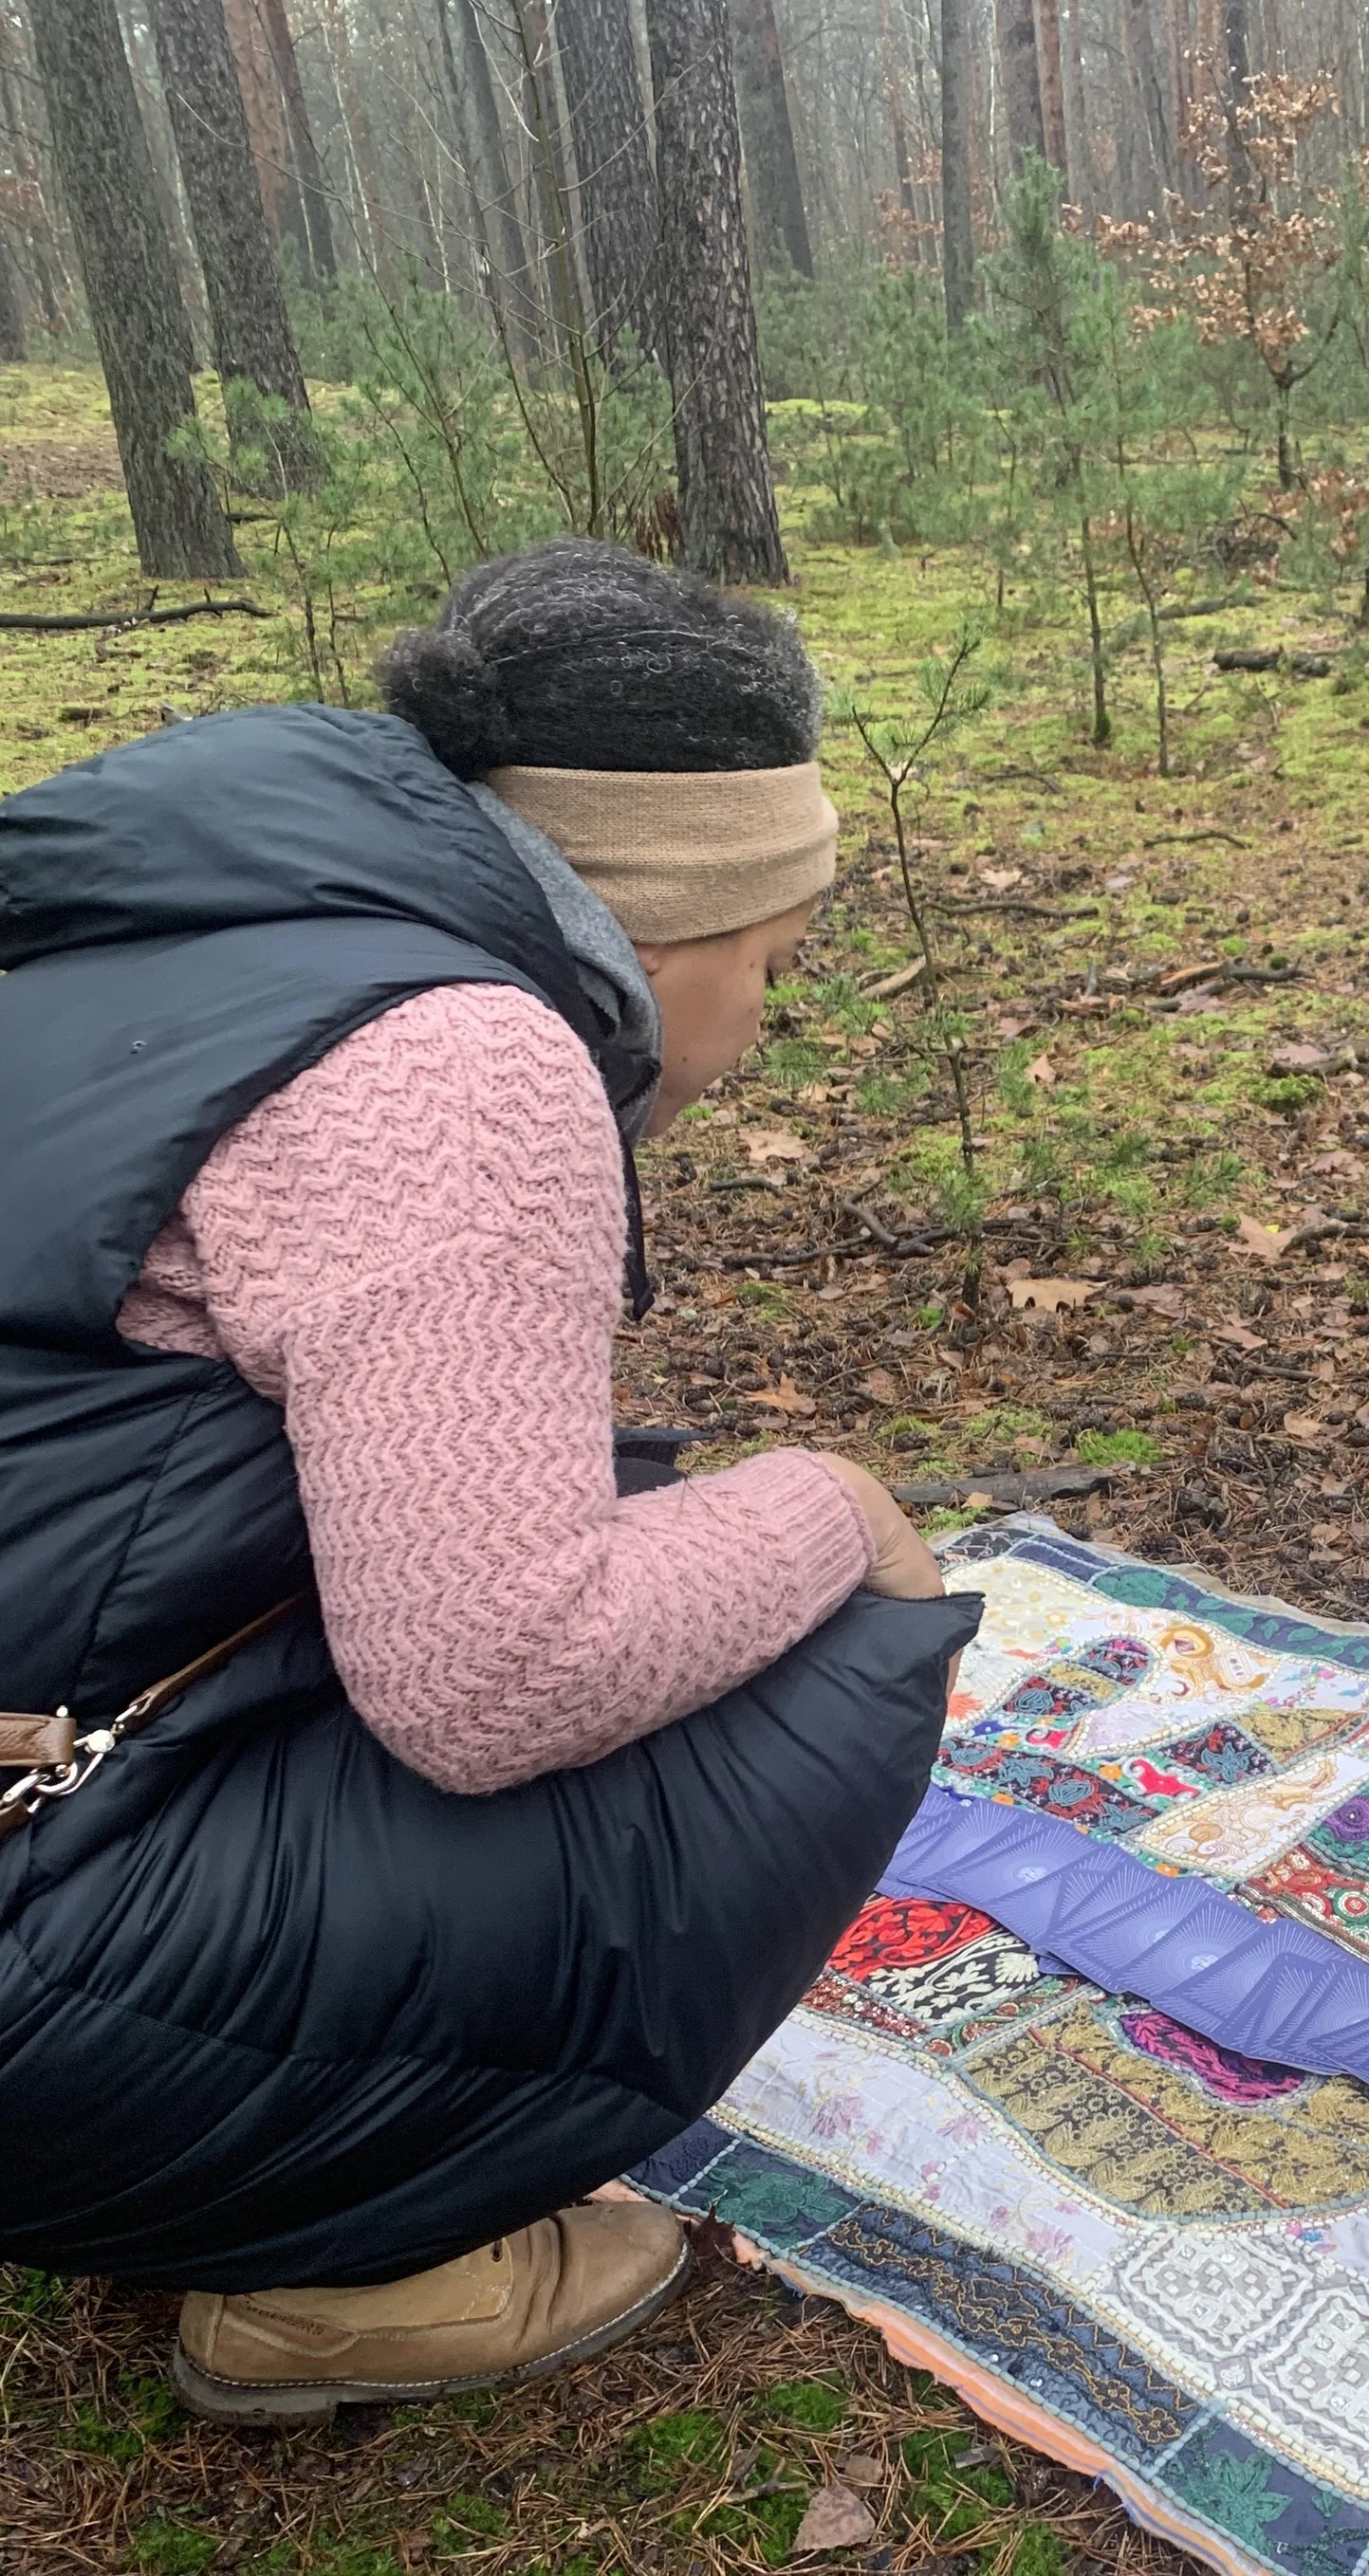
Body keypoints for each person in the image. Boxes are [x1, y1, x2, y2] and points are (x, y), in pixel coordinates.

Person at [0, 540, 978, 2424]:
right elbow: (490, 1671)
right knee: (821, 1646)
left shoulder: (202, 930)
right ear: (677, 914)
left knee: (606, 1496)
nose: (767, 1019)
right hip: (41, 1967)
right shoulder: (463, 1062)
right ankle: (344, 2266)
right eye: (774, 963)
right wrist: (836, 1509)